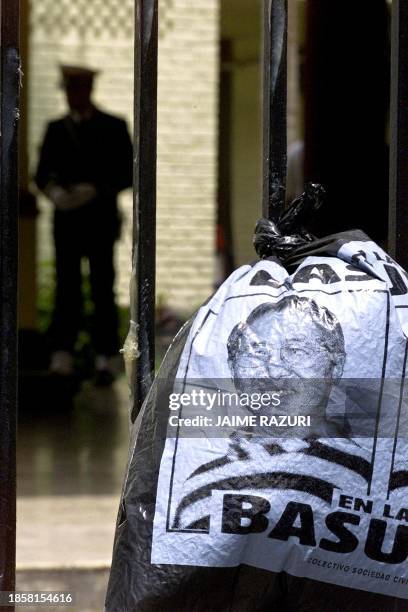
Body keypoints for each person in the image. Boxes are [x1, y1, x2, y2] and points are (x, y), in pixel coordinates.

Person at [173, 296, 374, 530]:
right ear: (232, 366)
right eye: (257, 352)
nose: (274, 370)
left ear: (336, 366)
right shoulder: (199, 481)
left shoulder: (370, 475)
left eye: (296, 351)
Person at [35, 65, 133, 385]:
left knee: (102, 285)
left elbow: (126, 172)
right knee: (67, 287)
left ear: (89, 90)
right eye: (70, 90)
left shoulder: (113, 126)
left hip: (100, 220)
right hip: (68, 221)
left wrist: (95, 189)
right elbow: (42, 173)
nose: (74, 96)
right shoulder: (56, 129)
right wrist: (55, 193)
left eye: (79, 89)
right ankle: (62, 355)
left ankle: (105, 357)